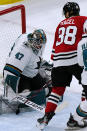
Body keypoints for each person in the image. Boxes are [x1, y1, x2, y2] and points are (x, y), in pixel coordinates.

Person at [37, 2, 87, 130]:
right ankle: (81, 116)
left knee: (57, 90)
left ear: (67, 13)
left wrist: (57, 65)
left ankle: (46, 117)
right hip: (76, 59)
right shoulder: (84, 20)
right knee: (86, 86)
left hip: (58, 62)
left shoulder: (60, 24)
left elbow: (54, 50)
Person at [3, 29, 52, 106]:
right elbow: (10, 71)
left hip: (30, 73)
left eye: (41, 44)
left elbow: (35, 57)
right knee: (25, 94)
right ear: (33, 40)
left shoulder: (28, 37)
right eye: (38, 43)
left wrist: (40, 63)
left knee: (47, 89)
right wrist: (10, 94)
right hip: (21, 76)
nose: (40, 46)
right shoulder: (23, 51)